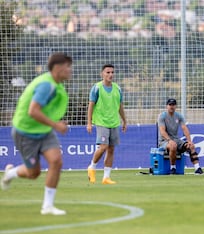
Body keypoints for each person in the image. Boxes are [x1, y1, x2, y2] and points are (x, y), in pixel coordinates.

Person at [0, 52, 72, 215]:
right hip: (26, 133)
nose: (70, 70)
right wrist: (56, 125)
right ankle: (10, 173)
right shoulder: (46, 85)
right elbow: (33, 111)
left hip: (44, 131)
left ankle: (47, 206)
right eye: (68, 66)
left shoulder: (56, 84)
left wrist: (53, 124)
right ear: (58, 68)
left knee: (56, 161)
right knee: (33, 173)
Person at [87, 64, 127, 184]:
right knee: (103, 146)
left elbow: (120, 106)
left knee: (111, 149)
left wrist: (124, 120)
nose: (110, 75)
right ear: (102, 74)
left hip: (114, 122)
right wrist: (89, 122)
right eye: (108, 72)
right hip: (101, 122)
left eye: (112, 72)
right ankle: (92, 167)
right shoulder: (97, 88)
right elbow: (91, 105)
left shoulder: (117, 88)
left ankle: (106, 177)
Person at [158, 98, 204, 175]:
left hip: (176, 139)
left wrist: (189, 141)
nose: (171, 106)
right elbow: (162, 131)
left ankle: (197, 168)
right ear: (167, 106)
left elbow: (184, 128)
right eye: (170, 105)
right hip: (164, 141)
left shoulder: (179, 116)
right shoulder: (162, 116)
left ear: (176, 106)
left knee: (191, 146)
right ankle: (173, 168)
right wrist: (169, 140)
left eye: (173, 105)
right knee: (173, 146)